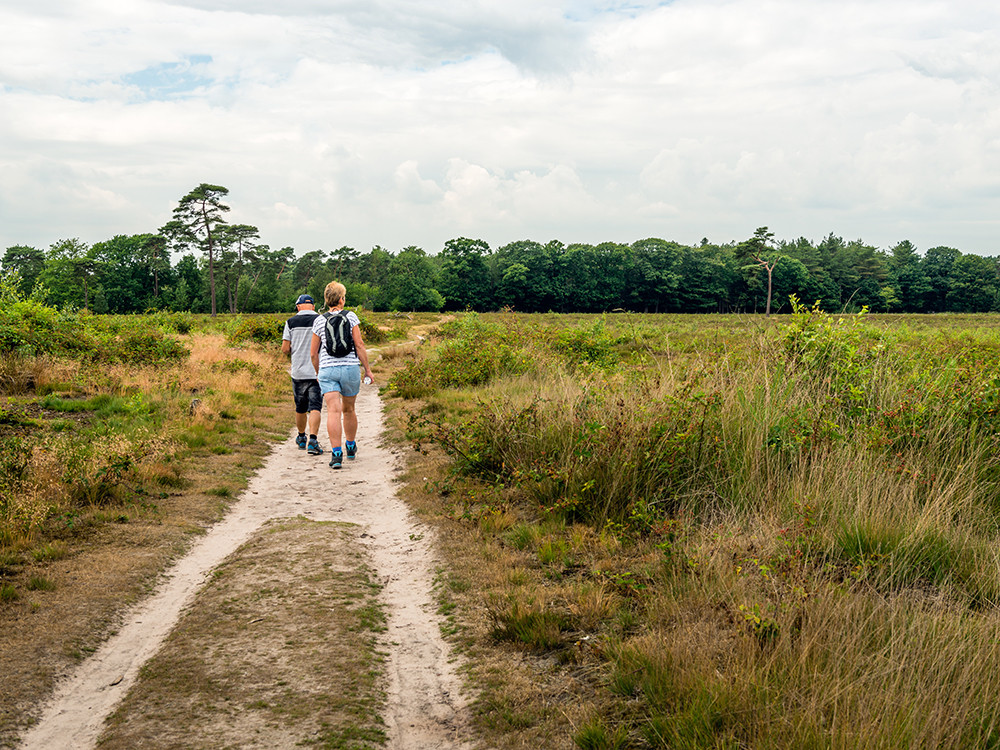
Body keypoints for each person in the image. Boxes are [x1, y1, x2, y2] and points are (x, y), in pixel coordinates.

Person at [310, 281, 375, 469]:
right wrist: (367, 370)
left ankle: (336, 454)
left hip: (327, 370)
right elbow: (359, 344)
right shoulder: (351, 317)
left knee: (333, 411)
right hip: (350, 369)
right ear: (341, 299)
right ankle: (351, 445)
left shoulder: (319, 320)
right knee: (349, 409)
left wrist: (318, 371)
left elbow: (313, 353)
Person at [281, 293, 324, 455]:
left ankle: (301, 437)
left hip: (298, 372)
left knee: (300, 408)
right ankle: (313, 440)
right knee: (315, 407)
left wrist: (295, 350)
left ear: (298, 306)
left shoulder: (290, 322)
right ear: (313, 306)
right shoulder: (321, 320)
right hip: (316, 372)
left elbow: (285, 349)